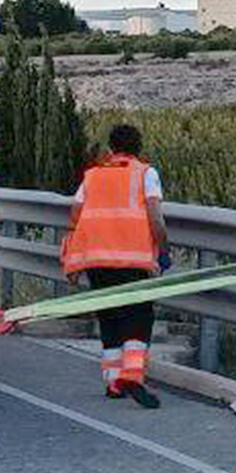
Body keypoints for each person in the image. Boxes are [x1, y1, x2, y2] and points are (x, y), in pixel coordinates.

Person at [60, 122, 167, 409]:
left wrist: (73, 258)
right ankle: (132, 375)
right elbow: (155, 217)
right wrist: (163, 249)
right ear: (138, 148)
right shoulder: (146, 173)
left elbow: (74, 215)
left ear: (112, 148)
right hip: (133, 258)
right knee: (138, 316)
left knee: (108, 317)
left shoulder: (92, 176)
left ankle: (112, 381)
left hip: (96, 259)